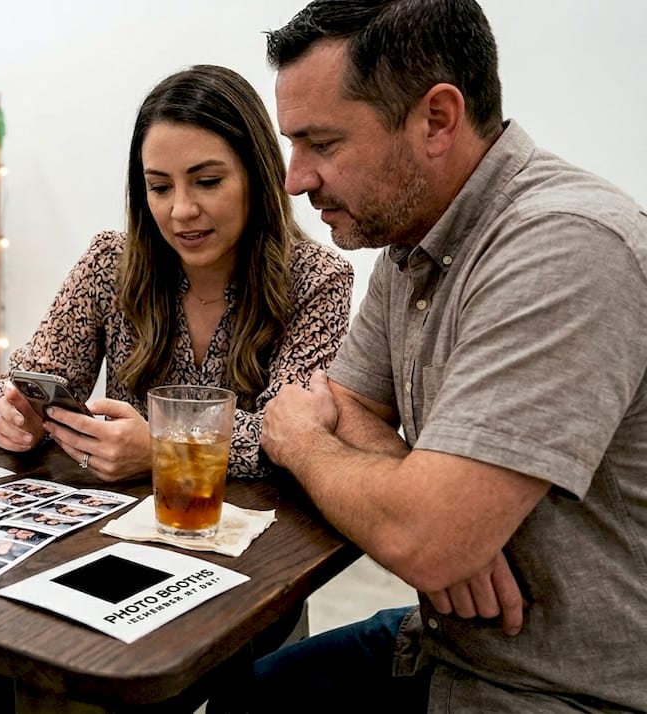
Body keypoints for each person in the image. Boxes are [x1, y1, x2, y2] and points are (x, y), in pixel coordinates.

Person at [256, 1, 647, 711]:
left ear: (437, 119)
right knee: (252, 694)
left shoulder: (568, 247)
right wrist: (433, 512)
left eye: (322, 144)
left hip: (567, 687)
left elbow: (419, 532)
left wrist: (299, 440)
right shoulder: (409, 240)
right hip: (448, 640)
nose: (295, 179)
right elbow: (347, 405)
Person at [0, 65, 353, 485]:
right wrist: (15, 419)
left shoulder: (318, 278)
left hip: (257, 523)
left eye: (207, 181)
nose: (181, 210)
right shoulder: (110, 262)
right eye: (160, 187)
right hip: (119, 516)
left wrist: (163, 449)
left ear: (257, 177)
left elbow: (296, 438)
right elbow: (3, 398)